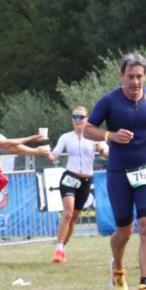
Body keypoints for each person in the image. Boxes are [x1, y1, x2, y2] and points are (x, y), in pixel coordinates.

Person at [85, 53, 146, 290]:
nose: (135, 82)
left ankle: (145, 286)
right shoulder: (110, 101)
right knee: (124, 232)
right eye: (130, 76)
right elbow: (87, 129)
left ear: (145, 76)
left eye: (140, 76)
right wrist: (110, 136)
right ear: (121, 76)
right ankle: (117, 266)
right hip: (119, 174)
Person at [48, 106, 108, 264]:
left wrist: (102, 150)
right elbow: (54, 155)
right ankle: (58, 249)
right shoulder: (66, 137)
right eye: (74, 117)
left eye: (81, 117)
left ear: (87, 119)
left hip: (86, 180)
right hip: (69, 177)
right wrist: (44, 151)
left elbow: (108, 153)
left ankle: (62, 247)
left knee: (73, 218)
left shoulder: (95, 137)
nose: (77, 120)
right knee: (67, 213)